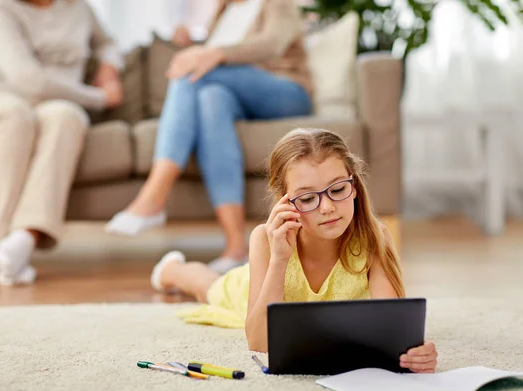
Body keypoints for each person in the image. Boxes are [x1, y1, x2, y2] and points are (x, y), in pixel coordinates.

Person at [149, 128, 438, 373]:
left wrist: (415, 352)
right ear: (285, 202)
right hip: (255, 290)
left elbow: (393, 331)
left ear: (355, 186)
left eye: (338, 190)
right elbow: (260, 342)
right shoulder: (264, 239)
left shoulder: (375, 237)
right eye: (308, 198)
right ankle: (171, 270)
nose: (327, 208)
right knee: (208, 288)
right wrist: (279, 260)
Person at [105, 0, 313, 274]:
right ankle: (236, 247)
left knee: (192, 71)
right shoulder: (223, 11)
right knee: (210, 100)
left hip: (285, 90)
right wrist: (194, 44)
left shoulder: (275, 3)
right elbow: (222, 56)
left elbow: (271, 43)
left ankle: (154, 195)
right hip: (233, 93)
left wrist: (210, 53)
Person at [0, 0, 124, 285]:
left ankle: (24, 238)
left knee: (68, 117)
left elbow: (108, 42)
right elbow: (28, 79)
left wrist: (109, 66)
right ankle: (3, 238)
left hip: (53, 101)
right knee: (15, 116)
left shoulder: (78, 8)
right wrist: (100, 98)